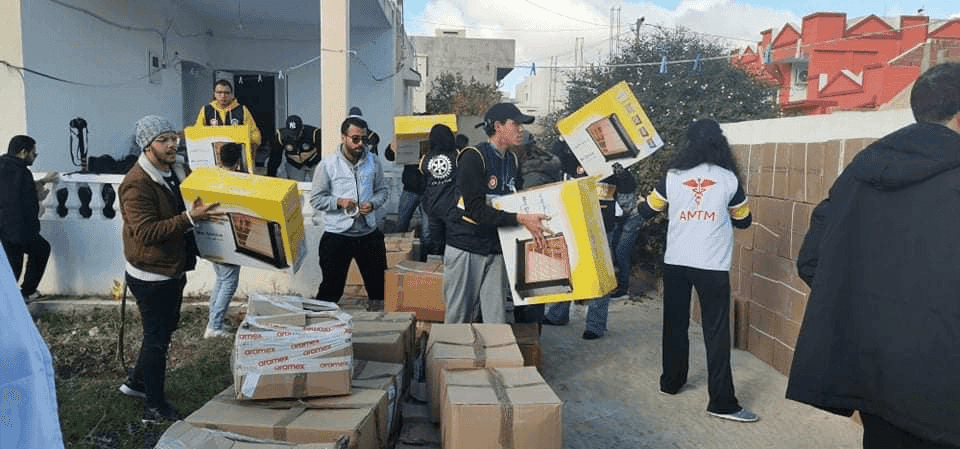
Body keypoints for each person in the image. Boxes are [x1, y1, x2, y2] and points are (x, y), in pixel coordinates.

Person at [788, 63, 960, 448]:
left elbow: (812, 261)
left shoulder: (860, 171)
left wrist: (873, 319)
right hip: (945, 391)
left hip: (875, 377)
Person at [638, 118, 756, 423]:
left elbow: (647, 210)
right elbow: (744, 220)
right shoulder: (728, 178)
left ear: (687, 144)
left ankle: (671, 382)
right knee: (716, 332)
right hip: (712, 265)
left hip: (676, 261)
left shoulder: (673, 176)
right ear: (720, 143)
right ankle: (722, 402)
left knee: (674, 324)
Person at [117, 115, 220, 424]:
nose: (173, 143)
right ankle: (154, 405)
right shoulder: (136, 184)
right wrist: (189, 219)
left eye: (173, 137)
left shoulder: (175, 170)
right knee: (157, 339)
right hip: (151, 274)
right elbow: (146, 232)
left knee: (162, 331)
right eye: (164, 140)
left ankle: (136, 383)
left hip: (171, 267)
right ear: (148, 147)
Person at [442, 102, 548, 324]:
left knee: (496, 318)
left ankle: (495, 358)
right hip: (466, 246)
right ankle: (450, 358)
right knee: (459, 317)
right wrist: (519, 219)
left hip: (496, 247)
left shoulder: (512, 160)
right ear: (498, 126)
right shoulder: (474, 157)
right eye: (516, 124)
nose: (521, 129)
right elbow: (476, 209)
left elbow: (515, 199)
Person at [310, 116, 389, 307]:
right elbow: (316, 199)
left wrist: (372, 204)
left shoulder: (374, 162)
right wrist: (339, 202)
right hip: (338, 235)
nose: (360, 144)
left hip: (368, 233)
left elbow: (383, 191)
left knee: (380, 289)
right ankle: (322, 328)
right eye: (355, 139)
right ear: (343, 138)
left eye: (364, 139)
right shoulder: (328, 165)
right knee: (331, 289)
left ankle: (381, 328)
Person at [0, 135, 55, 302]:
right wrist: (38, 196)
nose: (34, 157)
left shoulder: (4, 166)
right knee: (19, 265)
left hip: (5, 228)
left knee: (16, 264)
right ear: (24, 152)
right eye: (34, 154)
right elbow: (22, 200)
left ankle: (19, 295)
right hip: (17, 229)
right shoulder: (21, 172)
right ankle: (25, 293)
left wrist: (44, 181)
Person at [204, 142, 244, 339]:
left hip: (213, 236)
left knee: (221, 280)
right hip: (231, 239)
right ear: (238, 161)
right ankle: (214, 327)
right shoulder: (238, 181)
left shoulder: (211, 177)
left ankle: (214, 323)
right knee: (228, 282)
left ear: (219, 159)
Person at [420, 124, 460, 258]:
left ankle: (436, 272)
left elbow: (424, 180)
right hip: (451, 208)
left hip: (433, 208)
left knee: (436, 244)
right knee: (453, 244)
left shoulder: (426, 159)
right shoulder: (457, 156)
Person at [195, 79, 262, 153]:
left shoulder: (241, 110)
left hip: (236, 154)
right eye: (219, 92)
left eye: (226, 93)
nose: (223, 96)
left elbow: (254, 133)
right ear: (214, 94)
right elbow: (198, 131)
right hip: (213, 153)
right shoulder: (206, 110)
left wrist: (250, 152)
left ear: (231, 94)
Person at [274, 115, 321, 181]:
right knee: (295, 186)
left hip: (314, 163)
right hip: (294, 164)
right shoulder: (281, 136)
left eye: (297, 133)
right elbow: (275, 157)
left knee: (318, 185)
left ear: (302, 129)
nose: (294, 137)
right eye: (291, 134)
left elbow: (323, 153)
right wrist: (270, 176)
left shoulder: (314, 133)